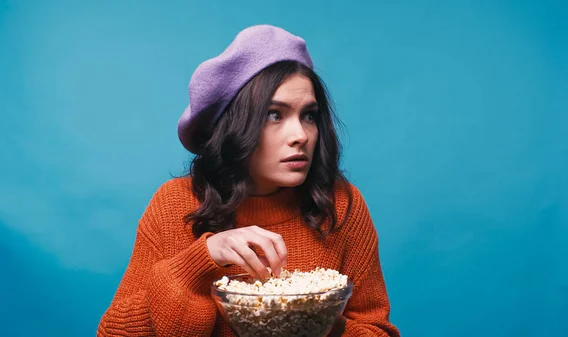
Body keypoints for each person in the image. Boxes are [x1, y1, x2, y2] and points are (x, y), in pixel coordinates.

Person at [97, 24, 400, 337]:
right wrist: (199, 262)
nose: (300, 135)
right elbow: (111, 334)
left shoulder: (340, 205)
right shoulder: (175, 205)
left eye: (309, 115)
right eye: (274, 115)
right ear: (235, 125)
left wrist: (313, 319)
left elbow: (376, 328)